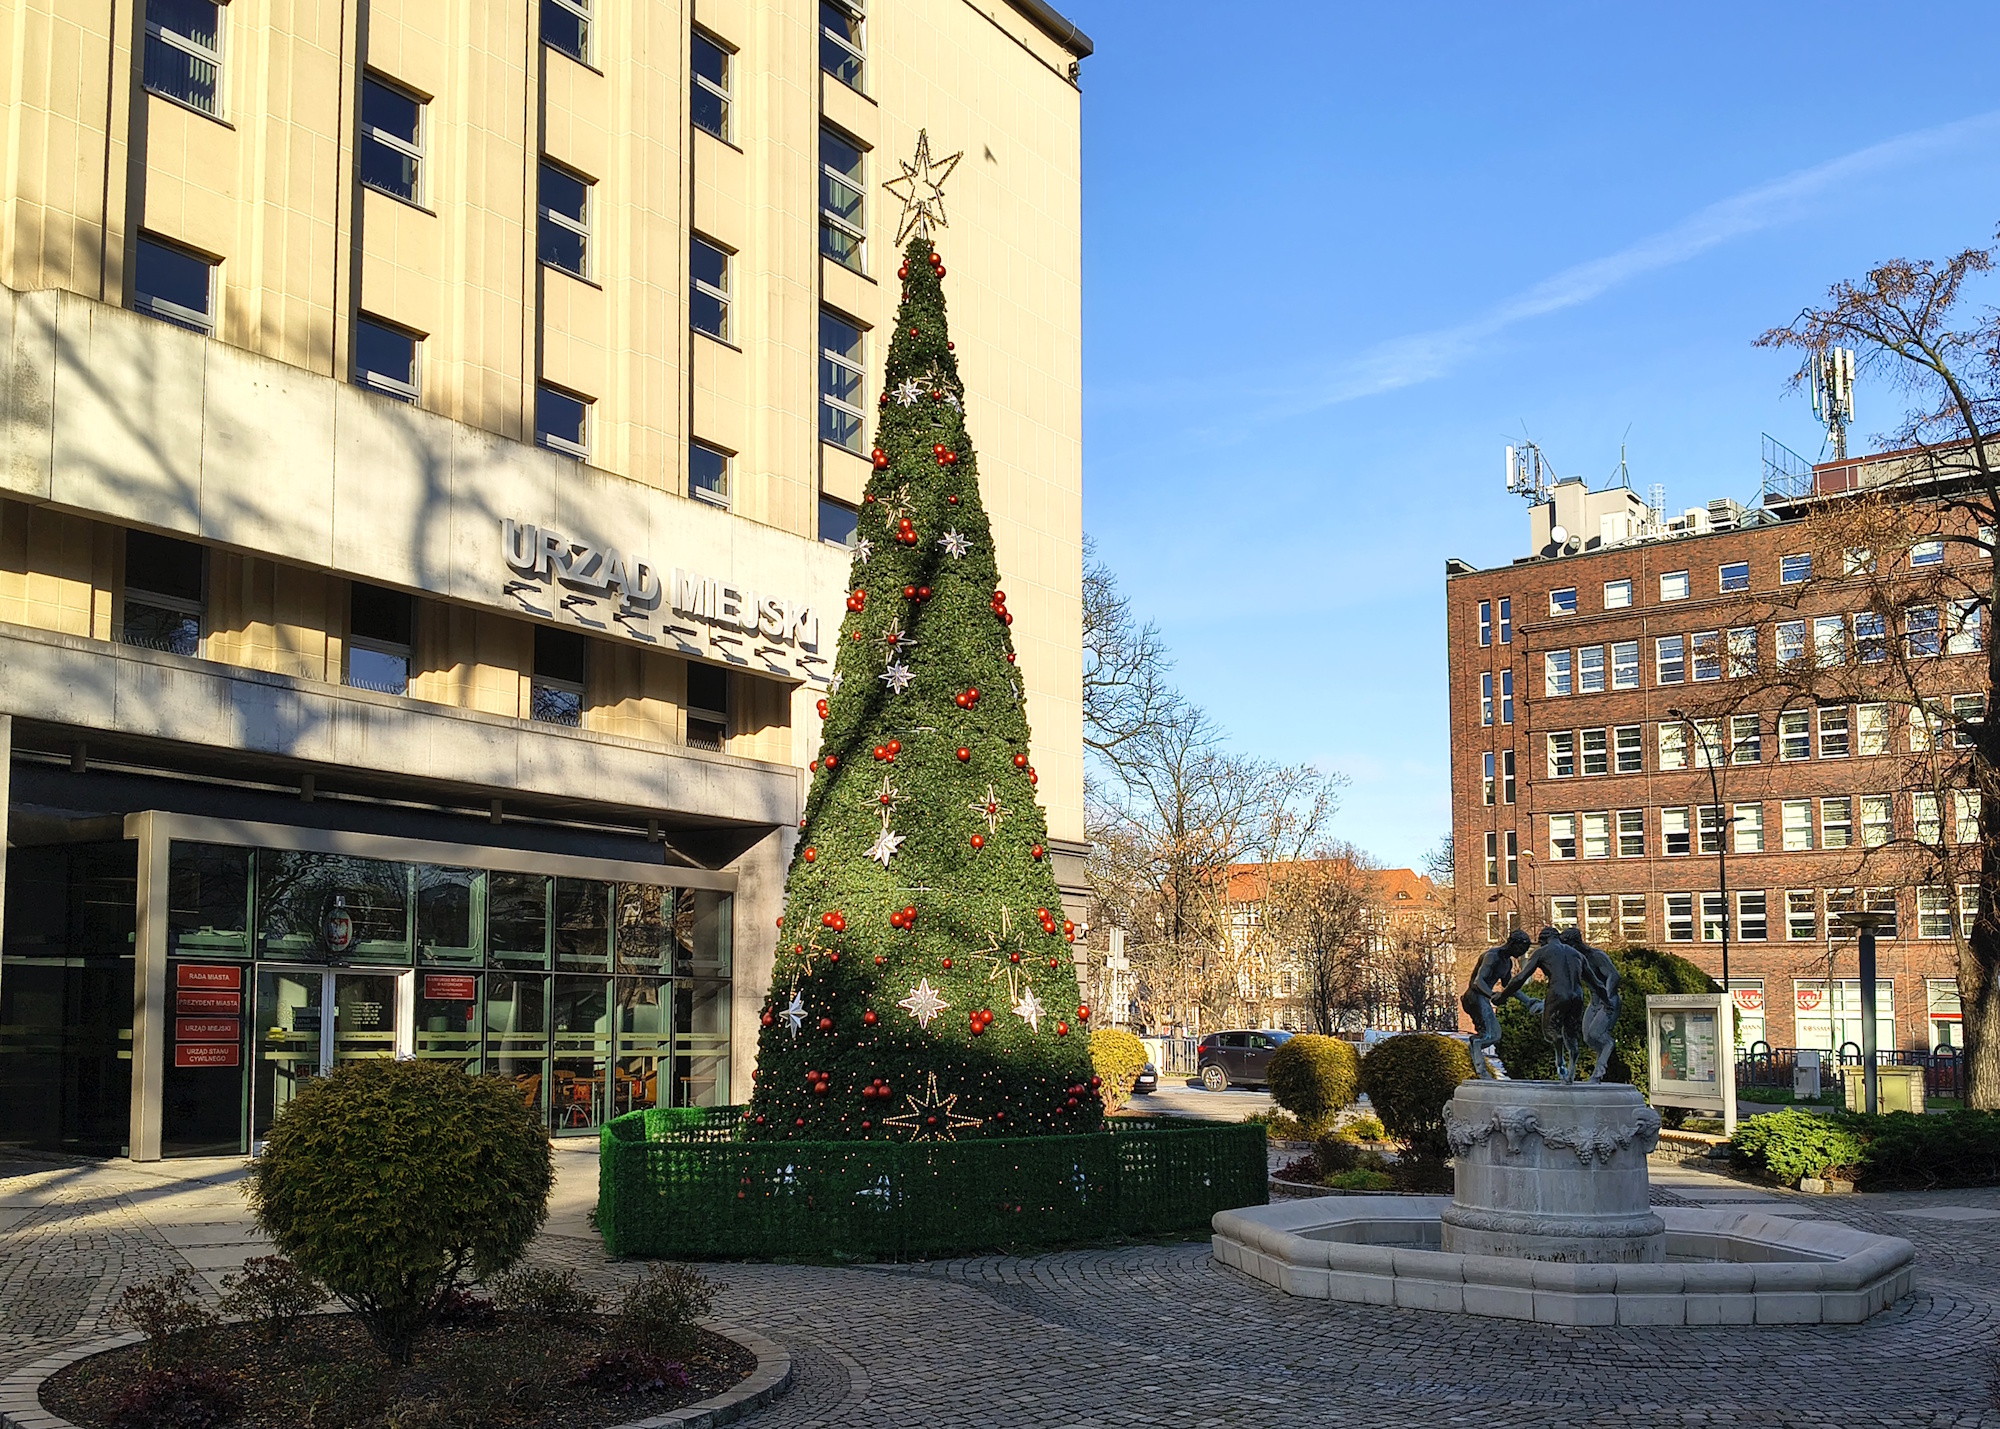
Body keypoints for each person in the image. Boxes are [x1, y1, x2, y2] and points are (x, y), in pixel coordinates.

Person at [1500, 927, 1588, 1082]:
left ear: (1543, 941)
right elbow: (1595, 982)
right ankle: (1572, 1069)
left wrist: (1503, 995)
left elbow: (1520, 978)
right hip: (1578, 995)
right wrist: (1607, 1001)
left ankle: (1559, 1053)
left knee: (1550, 1030)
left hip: (1558, 993)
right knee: (1572, 1032)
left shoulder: (1542, 952)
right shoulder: (1577, 954)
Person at [1461, 929, 1528, 1078]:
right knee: (1491, 1035)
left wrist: (1528, 1001)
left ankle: (1480, 1068)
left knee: (1493, 1035)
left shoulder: (1507, 963)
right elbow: (1478, 982)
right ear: (1513, 944)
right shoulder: (1492, 956)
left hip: (1482, 997)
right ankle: (1481, 1069)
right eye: (1521, 949)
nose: (1522, 953)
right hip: (1474, 996)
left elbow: (1509, 986)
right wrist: (1492, 995)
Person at [1561, 928, 1622, 1083]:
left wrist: (1607, 998)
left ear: (1575, 943)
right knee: (1588, 1037)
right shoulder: (1576, 960)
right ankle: (1604, 1056)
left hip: (1609, 1000)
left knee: (1597, 1034)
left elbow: (1614, 976)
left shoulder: (1596, 956)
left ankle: (1599, 1071)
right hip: (1594, 1002)